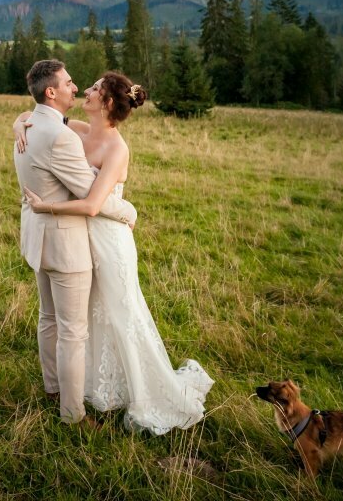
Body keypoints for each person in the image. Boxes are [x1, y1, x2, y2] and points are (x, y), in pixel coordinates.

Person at [15, 71, 214, 434]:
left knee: (121, 316)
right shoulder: (77, 130)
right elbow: (35, 115)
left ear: (107, 103)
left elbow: (93, 204)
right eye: (84, 86)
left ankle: (141, 390)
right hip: (79, 239)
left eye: (93, 89)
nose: (85, 91)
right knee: (89, 317)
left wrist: (49, 209)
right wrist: (18, 125)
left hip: (109, 241)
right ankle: (93, 385)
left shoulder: (117, 148)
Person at [12, 60, 139, 427]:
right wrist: (128, 210)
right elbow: (90, 196)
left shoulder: (32, 124)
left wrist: (17, 121)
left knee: (48, 318)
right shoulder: (62, 137)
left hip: (38, 240)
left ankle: (53, 388)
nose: (77, 87)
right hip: (66, 245)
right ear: (50, 91)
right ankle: (72, 413)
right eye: (69, 82)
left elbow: (25, 117)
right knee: (72, 331)